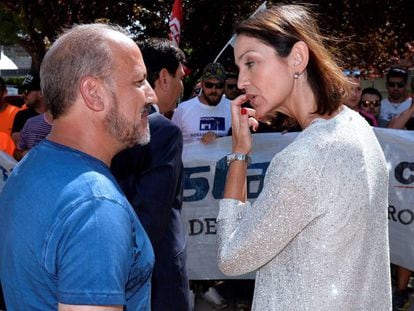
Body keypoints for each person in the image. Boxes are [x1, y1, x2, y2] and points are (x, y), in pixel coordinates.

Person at [216, 4, 391, 310]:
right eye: (239, 67)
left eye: (251, 63)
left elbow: (231, 257)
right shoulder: (358, 127)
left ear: (297, 58)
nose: (241, 81)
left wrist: (239, 155)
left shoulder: (305, 157)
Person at [0, 23, 157, 310]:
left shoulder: (28, 169)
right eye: (139, 82)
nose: (151, 95)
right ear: (94, 93)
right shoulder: (95, 206)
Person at [111, 38, 191, 311]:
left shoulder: (111, 127)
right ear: (165, 78)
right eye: (180, 78)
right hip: (158, 276)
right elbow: (153, 215)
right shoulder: (165, 132)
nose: (182, 87)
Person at [172, 62, 231, 144]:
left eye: (219, 85)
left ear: (224, 85)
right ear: (202, 84)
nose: (213, 90)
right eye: (209, 85)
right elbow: (171, 142)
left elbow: (242, 143)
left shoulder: (233, 109)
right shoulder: (183, 109)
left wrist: (220, 139)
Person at [11, 72, 47, 146]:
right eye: (22, 91)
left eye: (26, 91)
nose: (23, 95)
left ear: (41, 93)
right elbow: (19, 147)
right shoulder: (21, 116)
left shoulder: (57, 114)